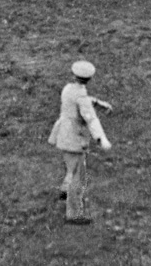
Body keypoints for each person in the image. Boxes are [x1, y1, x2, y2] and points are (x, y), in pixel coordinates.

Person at [48, 60, 113, 225]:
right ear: (89, 78)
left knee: (72, 166)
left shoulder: (68, 89)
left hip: (63, 134)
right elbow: (91, 119)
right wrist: (101, 138)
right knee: (79, 175)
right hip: (75, 138)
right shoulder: (81, 97)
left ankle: (64, 191)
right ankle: (74, 213)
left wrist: (97, 102)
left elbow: (80, 98)